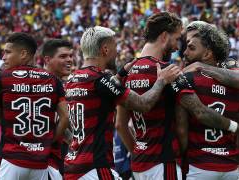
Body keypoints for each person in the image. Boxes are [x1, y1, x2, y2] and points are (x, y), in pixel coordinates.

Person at [115, 12, 239, 180]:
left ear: (208, 52)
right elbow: (195, 115)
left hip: (151, 164)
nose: (180, 50)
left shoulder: (127, 73)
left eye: (190, 45)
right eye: (179, 41)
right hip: (215, 165)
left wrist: (136, 154)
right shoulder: (172, 73)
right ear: (164, 36)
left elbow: (120, 125)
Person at [63, 25, 182, 179]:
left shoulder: (73, 78)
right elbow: (143, 104)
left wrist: (121, 75)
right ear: (105, 49)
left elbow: (99, 92)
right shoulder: (100, 80)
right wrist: (161, 81)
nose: (117, 52)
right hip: (94, 168)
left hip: (73, 166)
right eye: (115, 47)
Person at [0, 32, 69, 180]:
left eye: (8, 52)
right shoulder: (53, 80)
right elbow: (65, 117)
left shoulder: (4, 78)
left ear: (23, 54)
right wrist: (50, 140)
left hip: (11, 159)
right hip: (41, 163)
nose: (3, 57)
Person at [176, 21, 239, 180]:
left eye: (191, 45)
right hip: (231, 166)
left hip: (200, 166)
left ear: (207, 52)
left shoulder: (188, 78)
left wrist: (200, 66)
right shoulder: (229, 76)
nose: (184, 52)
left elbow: (182, 130)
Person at [41, 39, 74, 180]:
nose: (69, 60)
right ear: (47, 60)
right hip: (39, 164)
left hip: (56, 161)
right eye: (63, 56)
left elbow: (61, 124)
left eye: (70, 56)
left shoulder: (62, 86)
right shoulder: (37, 84)